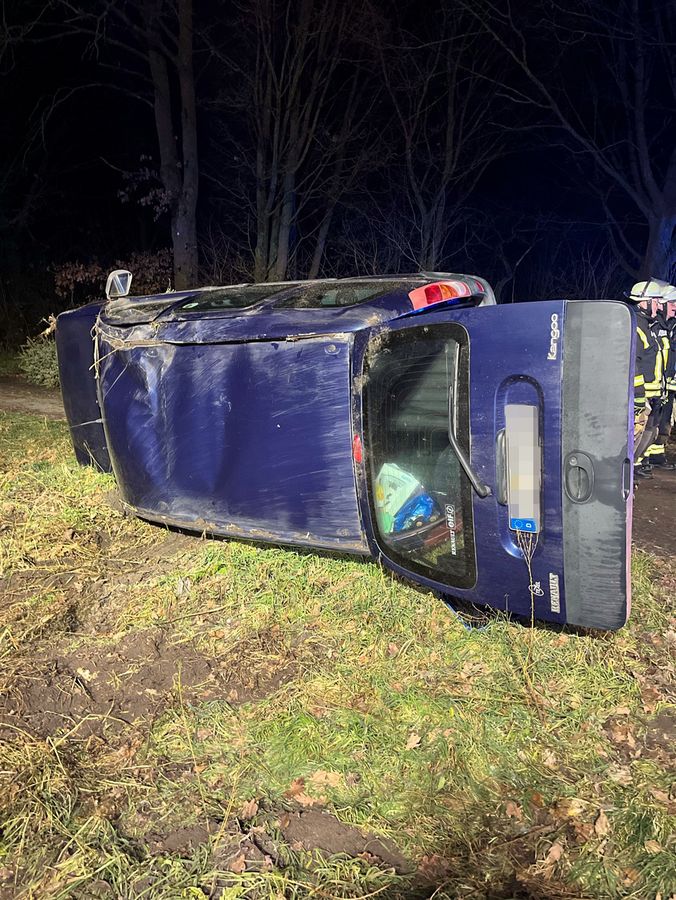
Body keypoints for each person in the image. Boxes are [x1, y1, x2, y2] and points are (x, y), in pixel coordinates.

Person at [628, 279, 676, 478]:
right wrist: (639, 395)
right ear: (644, 302)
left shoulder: (650, 326)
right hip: (644, 394)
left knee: (650, 430)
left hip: (654, 393)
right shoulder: (638, 326)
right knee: (636, 433)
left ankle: (635, 465)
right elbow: (636, 364)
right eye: (655, 301)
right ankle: (631, 467)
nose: (658, 305)